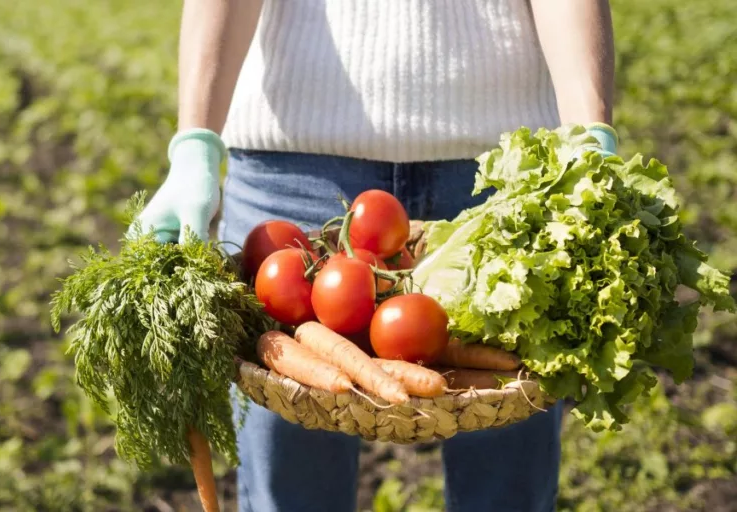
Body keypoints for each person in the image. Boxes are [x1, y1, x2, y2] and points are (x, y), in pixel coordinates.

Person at [132, 1, 617, 511]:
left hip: (499, 173)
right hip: (292, 175)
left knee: (508, 492)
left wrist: (589, 133)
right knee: (291, 494)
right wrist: (195, 143)